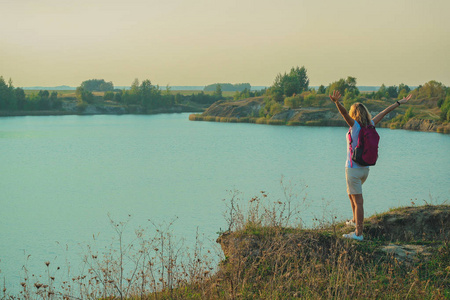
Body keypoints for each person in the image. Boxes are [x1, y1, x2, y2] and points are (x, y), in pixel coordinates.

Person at [329, 90, 412, 241]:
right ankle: (354, 220)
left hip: (353, 169)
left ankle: (358, 234)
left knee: (358, 201)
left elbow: (343, 114)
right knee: (351, 194)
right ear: (365, 112)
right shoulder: (371, 124)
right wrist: (400, 102)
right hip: (365, 170)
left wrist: (336, 102)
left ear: (354, 113)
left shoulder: (355, 126)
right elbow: (385, 111)